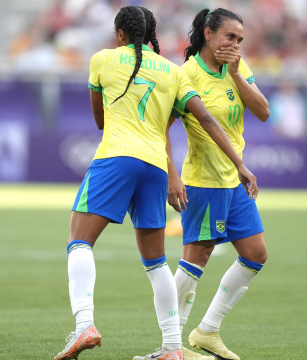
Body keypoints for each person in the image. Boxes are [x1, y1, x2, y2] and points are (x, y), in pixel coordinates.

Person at [53, 6, 258, 360]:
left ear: (120, 34)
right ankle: (172, 348)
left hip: (116, 157)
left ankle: (85, 323)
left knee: (79, 241)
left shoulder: (103, 59)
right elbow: (207, 118)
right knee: (156, 262)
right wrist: (240, 163)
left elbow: (100, 119)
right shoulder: (172, 71)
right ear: (151, 35)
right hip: (155, 168)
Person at [166, 8, 270, 360]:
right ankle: (170, 344)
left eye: (240, 39)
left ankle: (207, 330)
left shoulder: (237, 68)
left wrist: (239, 75)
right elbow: (160, 129)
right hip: (205, 182)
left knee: (255, 255)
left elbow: (264, 111)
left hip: (236, 182)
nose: (236, 44)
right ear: (208, 34)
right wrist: (172, 175)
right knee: (197, 258)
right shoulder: (185, 75)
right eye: (230, 37)